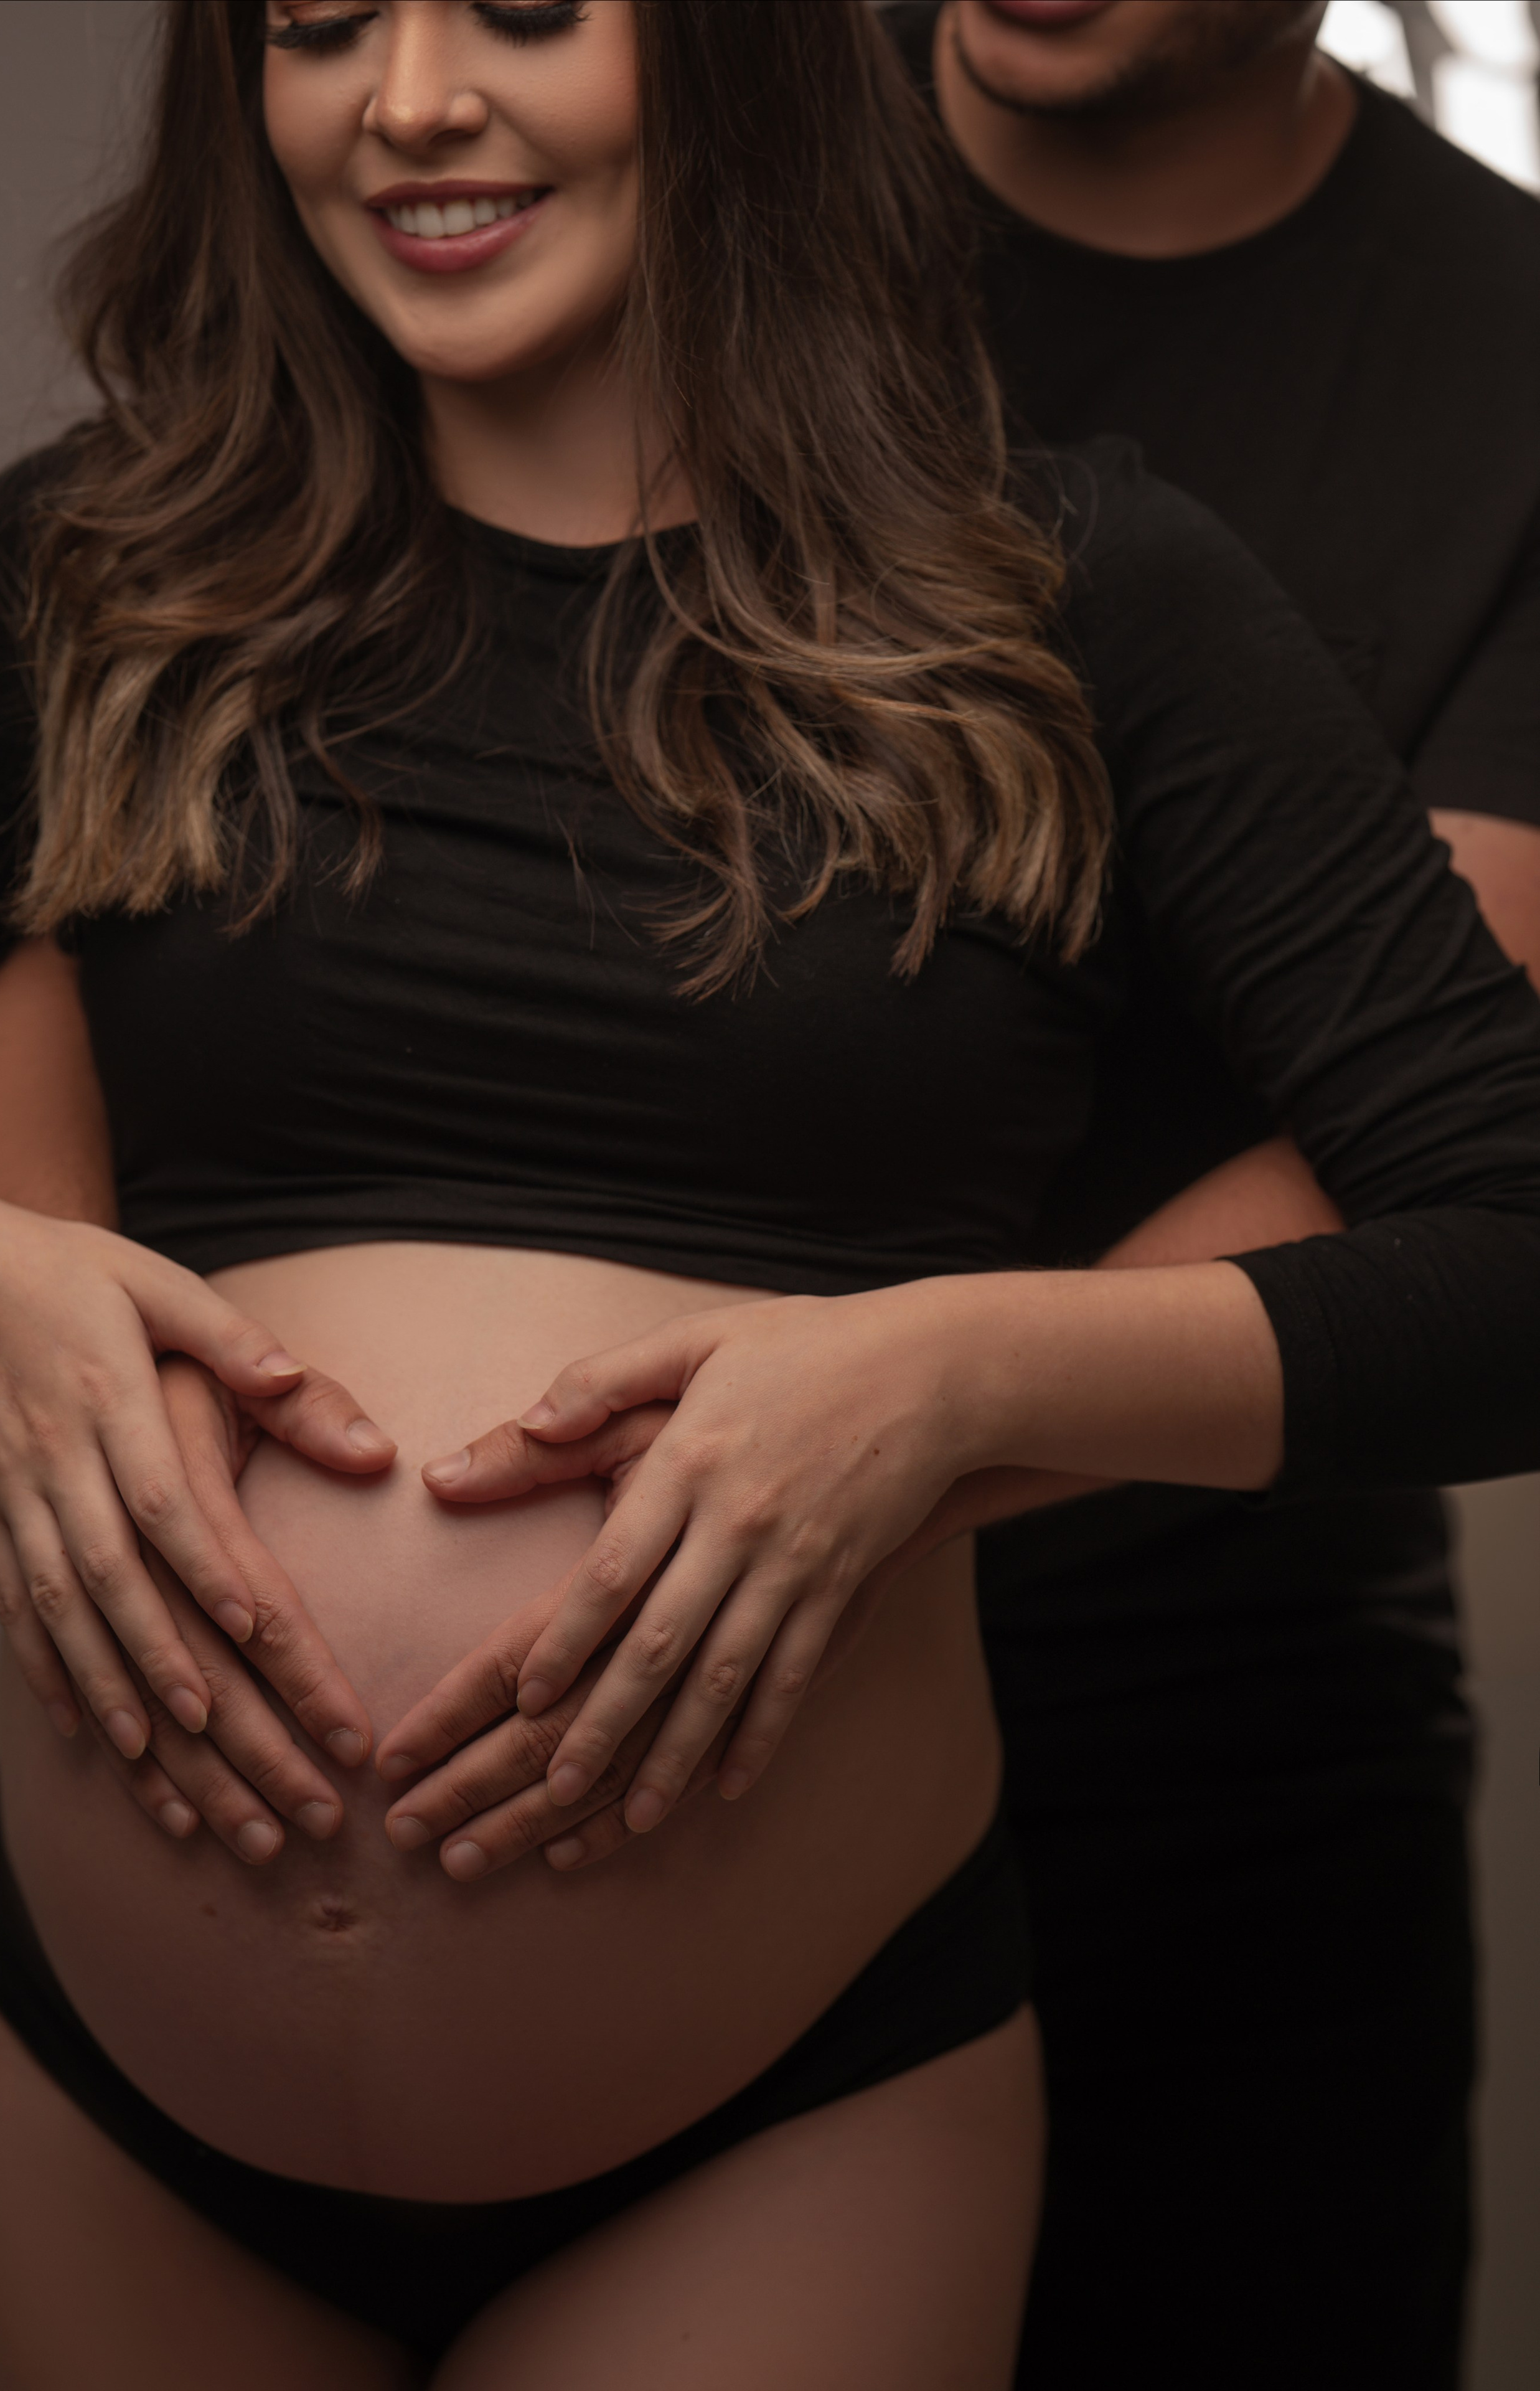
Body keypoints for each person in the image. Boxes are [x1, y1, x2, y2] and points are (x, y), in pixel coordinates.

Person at [0, 4, 1539, 2385]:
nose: (403, 106)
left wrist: (942, 1373)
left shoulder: (1081, 596)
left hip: (783, 2114)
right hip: (111, 2101)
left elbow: (1512, 1241)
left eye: (518, 10)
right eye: (311, 27)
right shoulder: (80, 573)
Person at [867, 5, 1540, 2385]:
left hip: (1217, 1697)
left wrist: (845, 1451)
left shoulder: (1504, 350)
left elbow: (1428, 1125)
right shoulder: (705, 173)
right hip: (667, 1713)